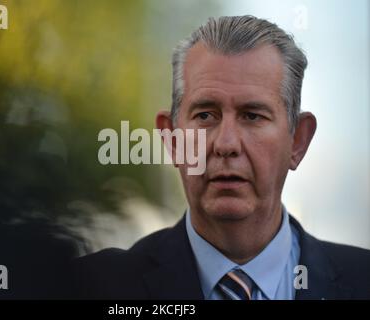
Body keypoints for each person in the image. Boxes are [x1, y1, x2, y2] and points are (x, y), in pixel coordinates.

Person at [73, 15, 370, 300]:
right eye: (205, 115)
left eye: (252, 116)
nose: (226, 144)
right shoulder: (91, 288)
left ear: (297, 141)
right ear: (172, 140)